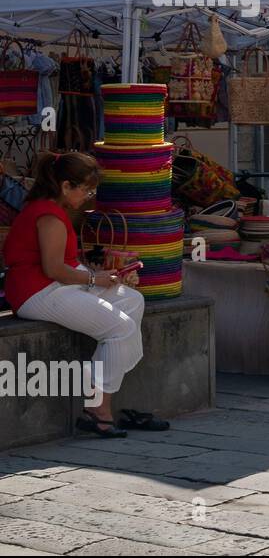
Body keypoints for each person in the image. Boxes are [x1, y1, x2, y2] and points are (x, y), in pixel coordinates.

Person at [2, 152, 165, 438]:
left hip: (50, 285)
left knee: (132, 300)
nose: (90, 196)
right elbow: (54, 269)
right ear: (66, 186)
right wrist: (94, 279)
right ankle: (98, 410)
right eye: (87, 190)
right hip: (36, 291)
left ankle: (103, 386)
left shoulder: (52, 210)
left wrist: (103, 279)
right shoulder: (48, 216)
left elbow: (65, 264)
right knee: (121, 327)